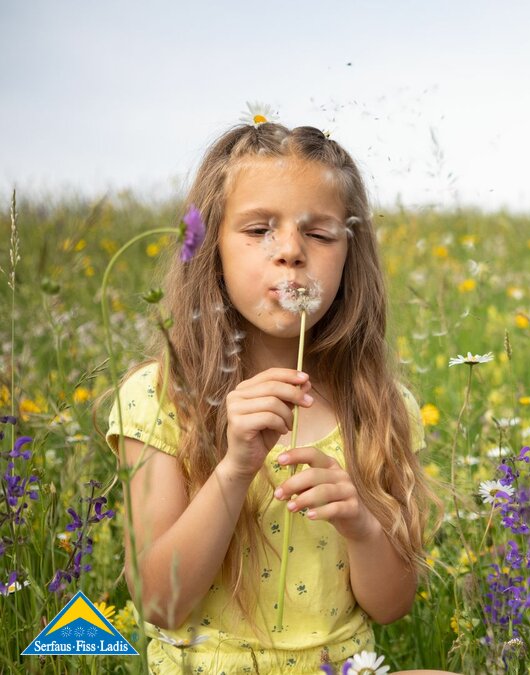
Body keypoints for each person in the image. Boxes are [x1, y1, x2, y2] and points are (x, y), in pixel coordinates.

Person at [106, 121, 445, 674]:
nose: (290, 251)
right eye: (259, 229)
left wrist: (361, 524)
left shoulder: (380, 408)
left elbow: (392, 606)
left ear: (348, 255)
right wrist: (235, 470)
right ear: (211, 248)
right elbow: (159, 603)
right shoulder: (162, 396)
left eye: (319, 234)